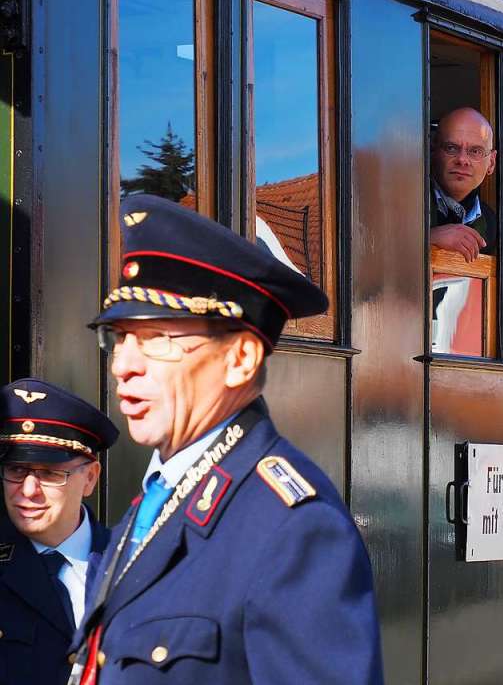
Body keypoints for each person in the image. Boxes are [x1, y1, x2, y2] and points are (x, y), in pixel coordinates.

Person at [70, 194, 384, 684]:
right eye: (121, 337)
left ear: (239, 359)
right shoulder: (160, 498)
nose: (123, 365)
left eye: (157, 340)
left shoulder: (294, 531)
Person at [0, 378, 119, 685]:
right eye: (16, 470)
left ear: (90, 478)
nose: (27, 491)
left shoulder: (133, 564)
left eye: (50, 474)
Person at [429, 106, 498, 262]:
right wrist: (428, 238)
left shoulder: (491, 222)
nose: (462, 160)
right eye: (451, 148)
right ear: (433, 152)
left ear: (491, 163)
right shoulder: (406, 202)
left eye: (475, 151)